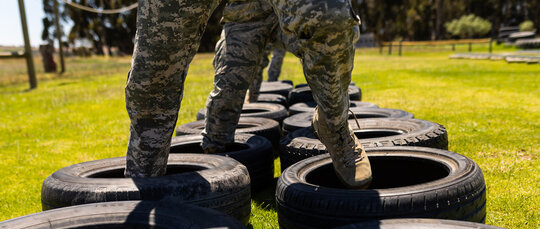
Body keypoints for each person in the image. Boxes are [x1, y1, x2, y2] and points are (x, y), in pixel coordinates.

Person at [125, 0, 372, 188]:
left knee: (328, 14)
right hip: (244, 16)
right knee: (153, 71)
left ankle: (334, 125)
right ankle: (145, 178)